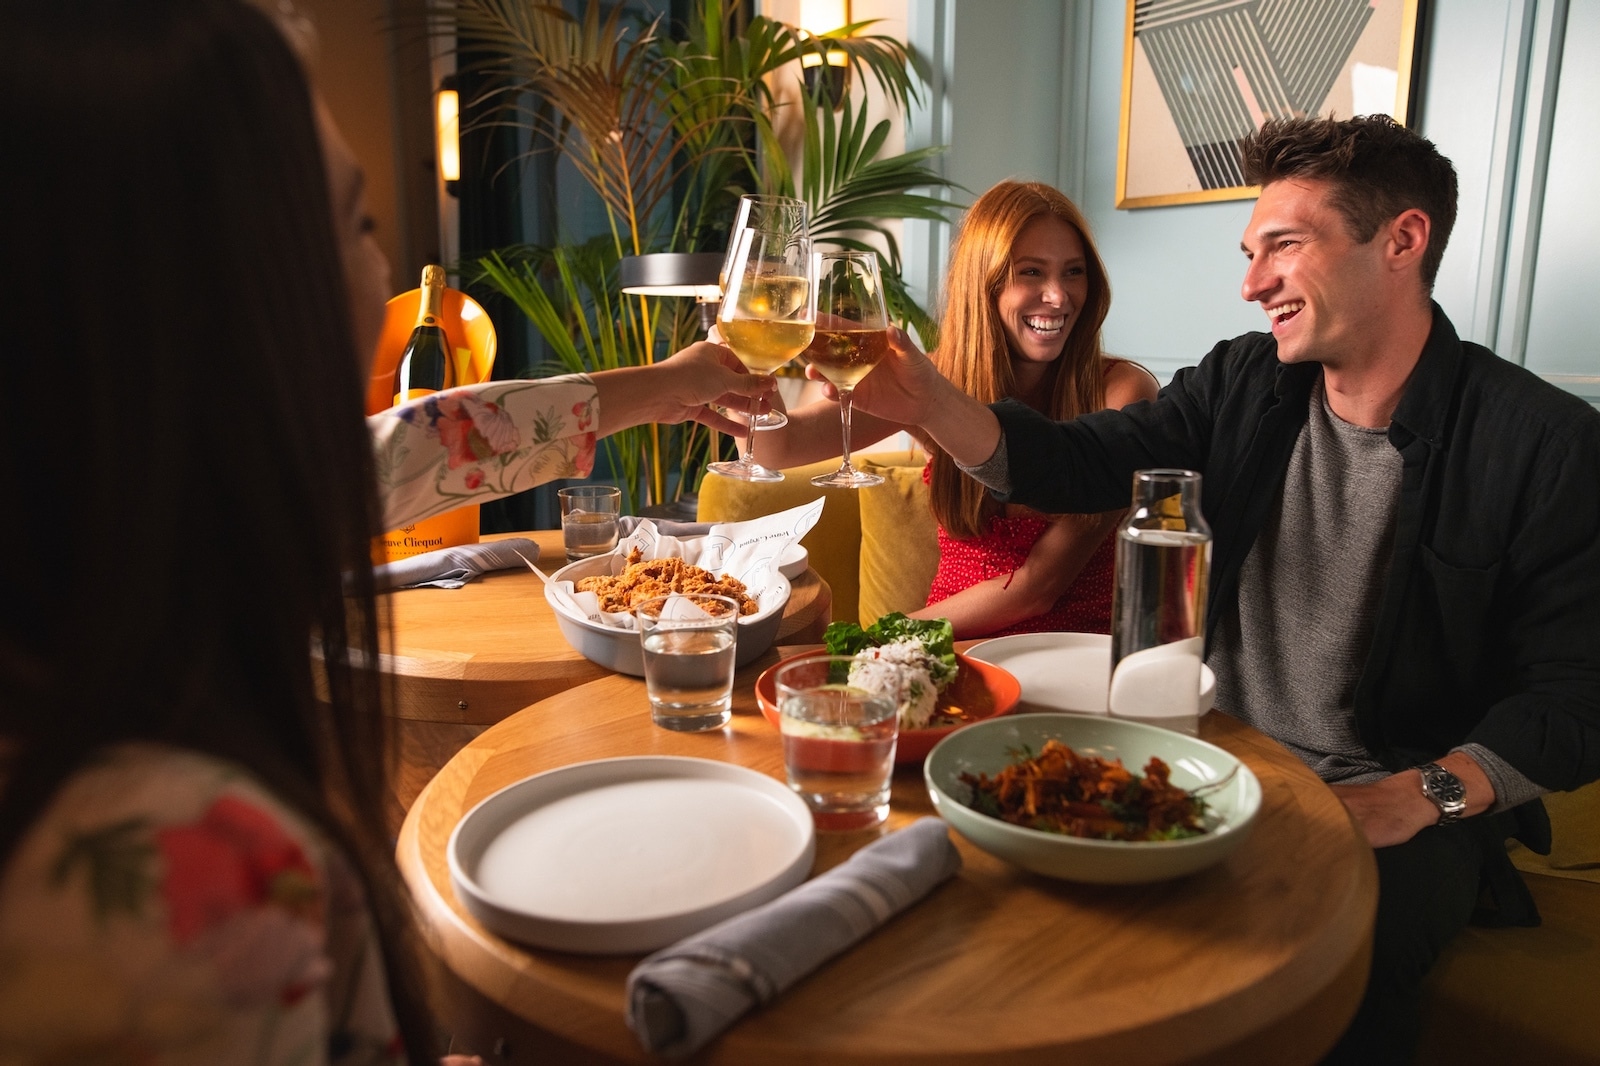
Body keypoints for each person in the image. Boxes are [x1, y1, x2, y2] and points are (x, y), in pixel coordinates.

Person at [0, 2, 771, 1063]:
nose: (392, 275)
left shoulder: (131, 530)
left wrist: (668, 385)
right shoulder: (183, 876)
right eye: (359, 224)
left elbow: (427, 446)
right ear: (217, 292)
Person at [837, 115, 1600, 1061]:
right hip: (1214, 755)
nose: (1252, 283)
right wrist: (925, 401)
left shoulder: (1543, 443)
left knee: (1338, 979)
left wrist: (1431, 792)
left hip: (1396, 795)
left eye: (1284, 246)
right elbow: (1079, 462)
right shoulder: (1245, 381)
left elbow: (1577, 690)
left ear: (1402, 240)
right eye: (1251, 252)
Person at [755, 181, 1156, 638]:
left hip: (1068, 659)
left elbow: (1038, 588)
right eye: (1030, 272)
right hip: (948, 650)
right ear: (983, 284)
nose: (1059, 296)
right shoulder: (936, 379)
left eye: (1073, 272)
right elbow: (779, 447)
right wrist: (751, 366)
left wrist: (878, 638)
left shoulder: (1123, 391)